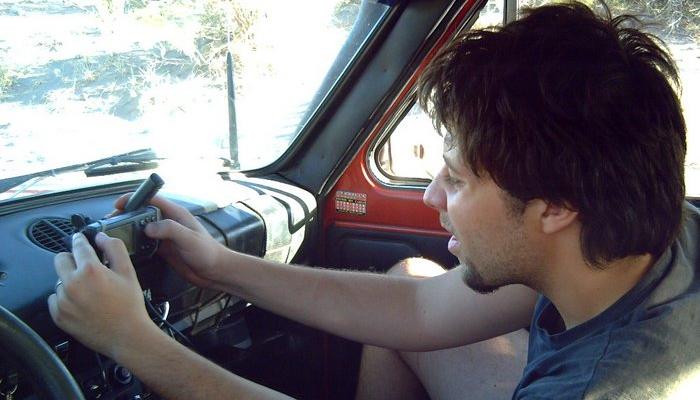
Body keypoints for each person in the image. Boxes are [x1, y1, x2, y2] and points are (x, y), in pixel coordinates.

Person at [47, 2, 695, 399]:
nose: (433, 196)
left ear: (554, 207)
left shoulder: (602, 387)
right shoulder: (632, 243)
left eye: (458, 180)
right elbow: (420, 308)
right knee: (411, 275)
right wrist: (219, 266)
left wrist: (133, 342)